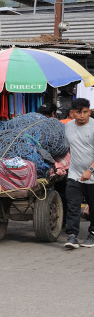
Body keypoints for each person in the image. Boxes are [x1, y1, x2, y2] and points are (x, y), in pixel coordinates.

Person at [62, 98, 94, 249]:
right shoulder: (68, 127)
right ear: (72, 113)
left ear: (90, 111)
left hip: (91, 174)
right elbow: (68, 147)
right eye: (78, 112)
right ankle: (72, 235)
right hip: (74, 173)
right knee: (73, 204)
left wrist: (90, 170)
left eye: (85, 112)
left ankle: (92, 234)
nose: (82, 115)